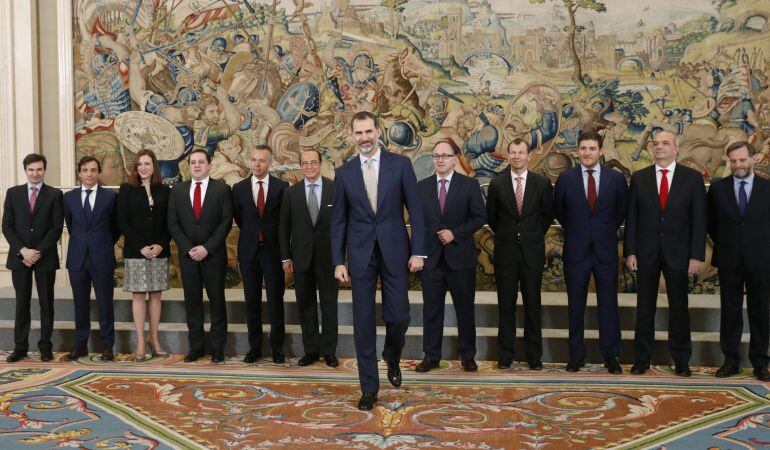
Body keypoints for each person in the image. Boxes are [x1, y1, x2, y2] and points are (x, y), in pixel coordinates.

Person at [331, 111, 425, 411]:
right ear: (353, 136)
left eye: (369, 131)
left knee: (399, 317)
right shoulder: (344, 172)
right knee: (363, 323)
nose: (364, 138)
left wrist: (418, 251)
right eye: (359, 133)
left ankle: (392, 355)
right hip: (359, 255)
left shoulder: (401, 165)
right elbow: (339, 222)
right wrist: (338, 260)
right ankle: (369, 387)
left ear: (378, 131)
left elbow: (417, 212)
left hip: (396, 251)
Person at [625, 129, 707, 377]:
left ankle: (681, 360)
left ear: (676, 148)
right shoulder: (640, 178)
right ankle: (642, 360)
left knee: (679, 308)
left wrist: (696, 256)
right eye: (656, 143)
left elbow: (699, 220)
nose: (659, 147)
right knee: (644, 307)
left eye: (665, 143)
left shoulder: (692, 178)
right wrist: (630, 251)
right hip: (646, 253)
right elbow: (632, 218)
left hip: (679, 254)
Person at [554, 130, 628, 374]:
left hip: (605, 250)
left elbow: (620, 213)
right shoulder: (566, 179)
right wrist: (580, 232)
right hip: (576, 250)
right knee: (576, 305)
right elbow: (561, 213)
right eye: (583, 148)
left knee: (609, 303)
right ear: (578, 151)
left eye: (592, 149)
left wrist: (600, 231)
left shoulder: (615, 179)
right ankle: (576, 356)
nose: (587, 153)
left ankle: (611, 356)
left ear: (600, 151)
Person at [415, 139, 486, 373]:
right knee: (431, 311)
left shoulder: (469, 185)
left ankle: (467, 355)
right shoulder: (422, 187)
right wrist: (417, 254)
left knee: (465, 310)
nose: (440, 160)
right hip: (432, 261)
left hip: (461, 260)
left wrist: (455, 233)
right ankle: (431, 356)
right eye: (436, 156)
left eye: (445, 156)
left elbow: (479, 218)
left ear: (455, 159)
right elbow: (417, 224)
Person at [486, 138, 554, 371]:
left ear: (529, 156)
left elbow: (546, 217)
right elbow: (492, 218)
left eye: (521, 152)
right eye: (512, 152)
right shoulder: (497, 184)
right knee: (506, 306)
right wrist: (509, 235)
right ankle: (505, 355)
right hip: (506, 254)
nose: (516, 156)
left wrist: (530, 236)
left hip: (531, 254)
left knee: (532, 305)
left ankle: (534, 356)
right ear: (508, 155)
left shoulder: (542, 184)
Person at [708, 141, 770, 381]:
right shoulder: (717, 189)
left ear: (752, 159)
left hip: (761, 260)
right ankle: (730, 361)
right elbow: (711, 224)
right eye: (733, 161)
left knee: (760, 312)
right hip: (729, 259)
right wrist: (727, 244)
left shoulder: (767, 188)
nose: (738, 165)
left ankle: (760, 363)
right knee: (730, 312)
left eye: (742, 160)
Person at [167, 149, 233, 363]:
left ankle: (217, 348)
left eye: (200, 162)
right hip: (188, 256)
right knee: (192, 302)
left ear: (209, 164)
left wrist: (207, 247)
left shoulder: (222, 189)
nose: (196, 166)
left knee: (217, 302)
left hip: (213, 255)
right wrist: (188, 248)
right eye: (193, 162)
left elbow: (226, 221)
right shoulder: (177, 190)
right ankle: (195, 347)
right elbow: (173, 223)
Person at [279, 149, 339, 367]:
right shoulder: (291, 193)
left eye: (314, 162)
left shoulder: (334, 189)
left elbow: (343, 226)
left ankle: (330, 352)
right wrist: (285, 257)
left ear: (320, 164)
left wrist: (342, 258)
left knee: (329, 306)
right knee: (306, 306)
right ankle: (311, 351)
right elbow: (283, 228)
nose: (310, 166)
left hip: (329, 259)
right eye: (305, 163)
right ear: (301, 166)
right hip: (301, 258)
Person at [2, 154, 63, 362]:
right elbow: (7, 226)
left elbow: (56, 228)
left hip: (44, 257)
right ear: (25, 170)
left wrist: (37, 252)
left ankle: (46, 346)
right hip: (20, 258)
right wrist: (23, 250)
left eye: (39, 169)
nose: (35, 173)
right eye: (31, 169)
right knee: (22, 303)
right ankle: (20, 347)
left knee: (47, 303)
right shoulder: (13, 193)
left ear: (44, 170)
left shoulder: (55, 195)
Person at [232, 145, 289, 364]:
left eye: (262, 160)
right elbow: (239, 218)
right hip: (249, 252)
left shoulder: (281, 187)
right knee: (251, 301)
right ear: (249, 162)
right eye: (254, 160)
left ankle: (277, 348)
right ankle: (254, 348)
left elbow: (285, 222)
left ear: (270, 163)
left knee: (276, 300)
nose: (257, 164)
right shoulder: (238, 188)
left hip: (273, 252)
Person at [63, 156, 120, 361]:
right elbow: (71, 226)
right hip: (77, 258)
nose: (89, 174)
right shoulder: (68, 198)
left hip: (102, 256)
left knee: (105, 302)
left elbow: (115, 228)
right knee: (80, 303)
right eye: (85, 170)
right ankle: (80, 344)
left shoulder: (110, 197)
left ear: (98, 173)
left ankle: (107, 345)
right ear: (79, 173)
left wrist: (101, 244)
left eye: (93, 170)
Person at [117, 149, 171, 361]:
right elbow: (123, 221)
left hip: (159, 250)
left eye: (147, 163)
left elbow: (170, 221)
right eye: (139, 164)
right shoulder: (127, 189)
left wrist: (160, 244)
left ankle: (154, 339)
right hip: (135, 251)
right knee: (139, 295)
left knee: (156, 294)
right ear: (135, 167)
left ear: (154, 166)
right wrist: (140, 246)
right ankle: (140, 341)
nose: (143, 167)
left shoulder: (164, 190)